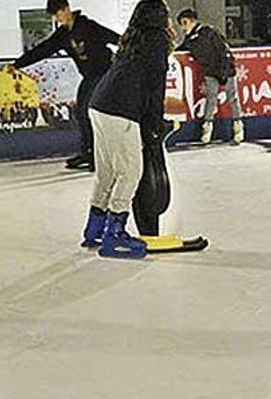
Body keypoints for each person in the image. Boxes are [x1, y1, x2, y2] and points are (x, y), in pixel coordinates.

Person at [80, 0, 175, 259]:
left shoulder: (133, 38)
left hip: (98, 105)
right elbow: (156, 86)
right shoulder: (156, 40)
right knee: (131, 172)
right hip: (119, 110)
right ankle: (115, 233)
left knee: (107, 172)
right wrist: (154, 124)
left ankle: (94, 229)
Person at [8, 0, 120, 171]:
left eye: (59, 13)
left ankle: (96, 155)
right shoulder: (63, 35)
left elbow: (115, 38)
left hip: (105, 73)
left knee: (86, 111)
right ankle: (89, 152)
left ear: (67, 9)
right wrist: (17, 64)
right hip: (90, 76)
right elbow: (43, 49)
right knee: (80, 112)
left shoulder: (88, 26)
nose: (57, 18)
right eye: (55, 15)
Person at [175, 8, 244, 144]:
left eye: (183, 24)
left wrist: (224, 71)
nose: (183, 28)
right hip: (210, 72)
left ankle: (238, 129)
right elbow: (181, 49)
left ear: (187, 21)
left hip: (226, 70)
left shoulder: (210, 32)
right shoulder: (190, 40)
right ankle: (207, 130)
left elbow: (223, 50)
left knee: (232, 98)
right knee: (211, 100)